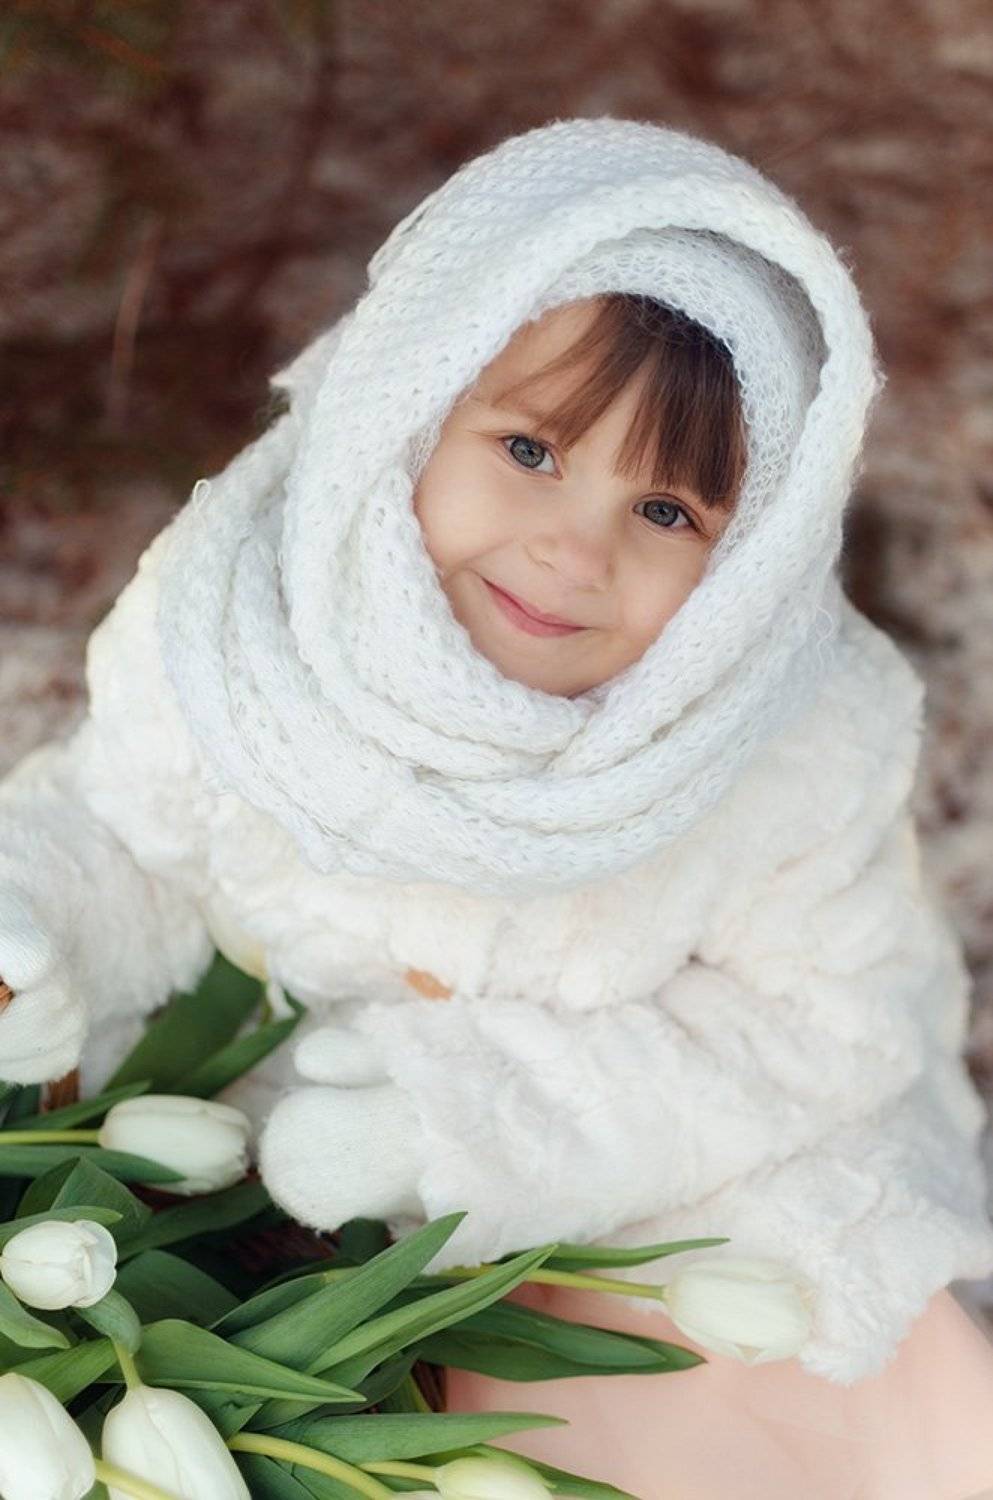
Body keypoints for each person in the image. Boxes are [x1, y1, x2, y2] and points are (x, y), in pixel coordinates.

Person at [2, 116, 993, 1494]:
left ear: (750, 561)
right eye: (530, 450)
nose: (571, 551)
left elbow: (820, 1027)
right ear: (410, 408)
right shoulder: (239, 621)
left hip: (619, 1175)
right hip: (236, 1147)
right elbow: (130, 838)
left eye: (666, 514)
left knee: (725, 1393)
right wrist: (41, 932)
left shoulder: (789, 745)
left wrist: (472, 1129)